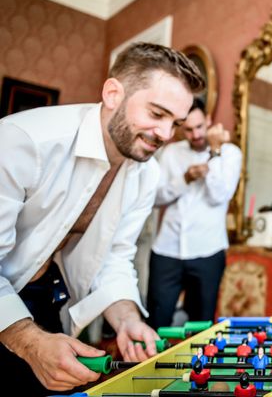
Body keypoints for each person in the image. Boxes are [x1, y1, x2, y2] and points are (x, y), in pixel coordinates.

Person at [0, 42, 204, 395]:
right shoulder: (23, 141)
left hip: (46, 298)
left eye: (176, 123)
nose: (166, 135)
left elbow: (114, 255)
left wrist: (127, 319)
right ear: (113, 93)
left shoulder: (146, 173)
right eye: (157, 114)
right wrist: (28, 342)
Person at [146, 97, 241, 329]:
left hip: (208, 251)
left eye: (199, 127)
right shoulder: (170, 154)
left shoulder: (230, 153)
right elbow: (155, 198)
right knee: (156, 321)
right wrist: (185, 179)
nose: (196, 135)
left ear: (208, 120)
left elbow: (219, 196)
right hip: (167, 250)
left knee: (202, 326)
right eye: (188, 129)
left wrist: (215, 152)